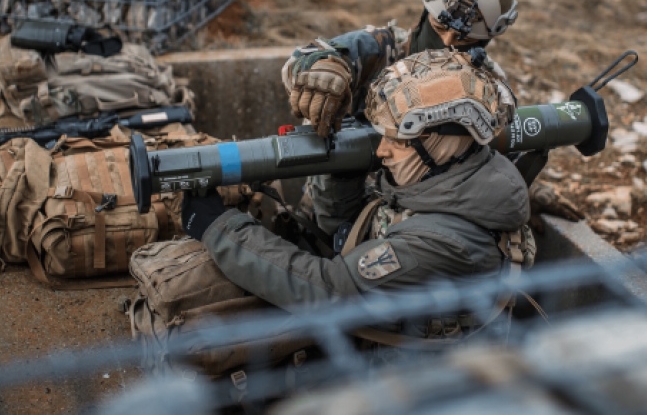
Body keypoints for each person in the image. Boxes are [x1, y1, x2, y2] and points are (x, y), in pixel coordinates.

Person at [181, 49, 531, 337]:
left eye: (396, 140)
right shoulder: (447, 178)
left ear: (438, 144)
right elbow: (344, 232)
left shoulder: (446, 240)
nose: (381, 151)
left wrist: (219, 228)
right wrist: (341, 179)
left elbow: (329, 290)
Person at [280, 0, 582, 231]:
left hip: (410, 224)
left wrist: (529, 188)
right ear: (426, 13)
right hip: (329, 207)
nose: (448, 41)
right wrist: (324, 71)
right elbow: (314, 57)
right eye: (439, 27)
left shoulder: (485, 84)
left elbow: (496, 151)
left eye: (463, 39)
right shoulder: (382, 48)